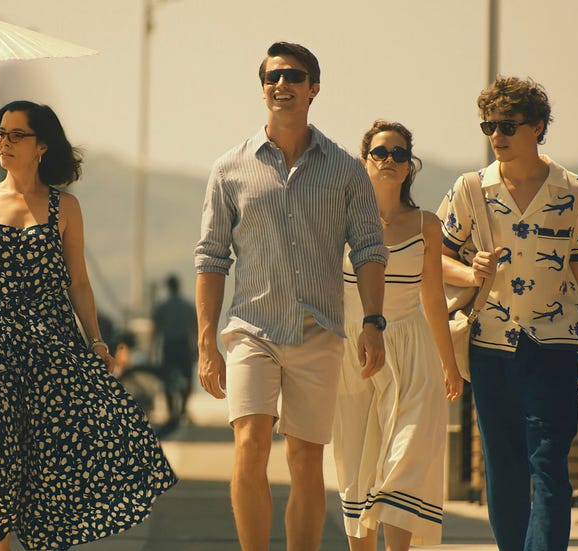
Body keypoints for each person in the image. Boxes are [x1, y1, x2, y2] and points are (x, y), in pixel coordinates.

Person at [0, 100, 176, 551]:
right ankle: (1, 546)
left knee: (51, 456)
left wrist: (96, 342)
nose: (5, 144)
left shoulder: (64, 206)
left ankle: (46, 541)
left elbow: (80, 282)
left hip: (54, 342)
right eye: (0, 135)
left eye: (17, 135)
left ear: (41, 146)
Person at [195, 41, 389, 551]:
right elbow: (212, 259)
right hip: (251, 329)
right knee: (250, 444)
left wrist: (374, 321)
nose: (282, 84)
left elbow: (370, 248)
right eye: (272, 76)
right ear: (263, 88)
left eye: (294, 76)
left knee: (304, 457)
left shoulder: (347, 169)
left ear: (314, 88)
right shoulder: (228, 168)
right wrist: (205, 342)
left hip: (318, 328)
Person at [438, 76, 578, 551]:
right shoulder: (470, 189)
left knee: (550, 465)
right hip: (491, 348)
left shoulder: (574, 190)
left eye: (507, 125)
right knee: (505, 469)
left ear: (537, 127)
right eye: (489, 125)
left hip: (555, 347)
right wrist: (471, 271)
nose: (497, 135)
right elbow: (438, 257)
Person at [333, 120, 463, 551]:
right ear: (363, 160)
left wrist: (449, 364)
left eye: (400, 154)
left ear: (410, 167)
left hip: (412, 352)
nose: (390, 160)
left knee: (403, 461)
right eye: (381, 152)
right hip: (353, 351)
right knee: (357, 464)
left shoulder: (427, 224)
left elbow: (432, 298)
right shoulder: (339, 221)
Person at [151, 274, 197, 428]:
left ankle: (172, 412)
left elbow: (155, 330)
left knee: (167, 379)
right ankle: (183, 409)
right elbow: (195, 328)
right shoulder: (188, 307)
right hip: (184, 345)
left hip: (168, 346)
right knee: (188, 379)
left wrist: (153, 350)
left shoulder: (162, 307)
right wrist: (198, 349)